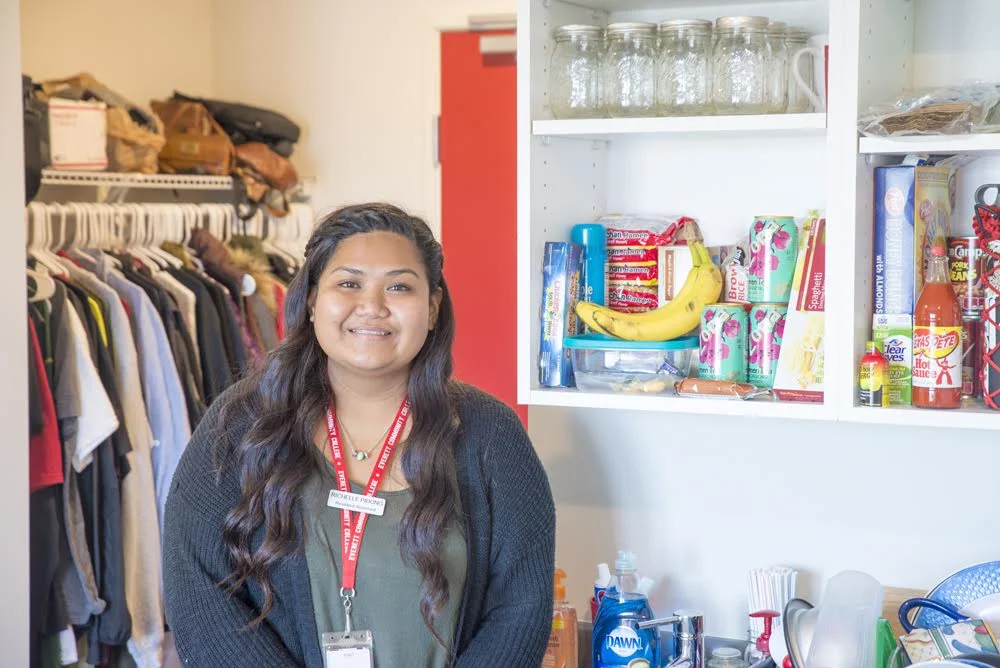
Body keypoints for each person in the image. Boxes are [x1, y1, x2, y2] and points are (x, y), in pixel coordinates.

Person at [162, 203, 556, 667]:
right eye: (348, 283)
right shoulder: (241, 425)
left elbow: (521, 609)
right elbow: (197, 589)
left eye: (399, 286)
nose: (372, 306)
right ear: (311, 300)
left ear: (432, 309)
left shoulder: (491, 436)